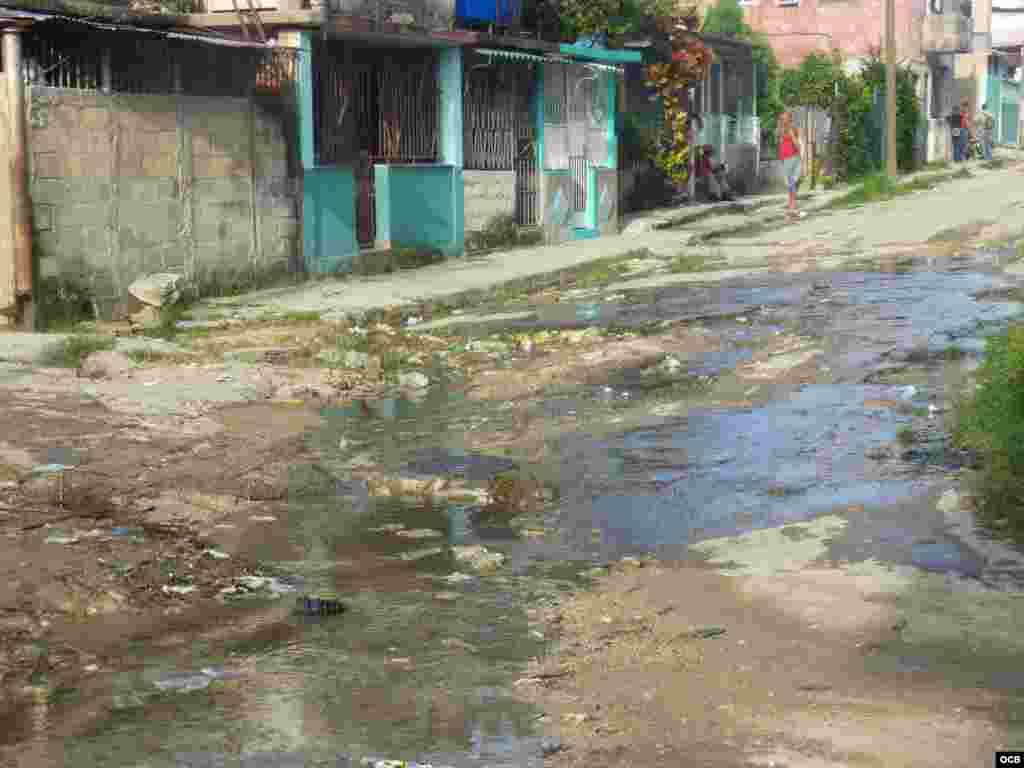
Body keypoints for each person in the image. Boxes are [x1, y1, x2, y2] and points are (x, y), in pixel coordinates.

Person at [777, 110, 803, 220]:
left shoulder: (791, 130)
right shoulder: (781, 131)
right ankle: (792, 208)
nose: (782, 121)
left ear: (789, 119)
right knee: (791, 184)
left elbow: (797, 144)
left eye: (784, 119)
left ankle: (792, 208)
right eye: (781, 119)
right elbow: (780, 142)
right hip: (786, 159)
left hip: (792, 158)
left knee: (791, 183)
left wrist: (801, 158)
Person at [958, 99, 972, 163]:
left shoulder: (962, 113)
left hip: (962, 129)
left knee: (963, 144)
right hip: (963, 130)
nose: (966, 108)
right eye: (966, 106)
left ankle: (961, 158)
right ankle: (962, 158)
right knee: (963, 144)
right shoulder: (964, 113)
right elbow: (966, 123)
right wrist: (970, 130)